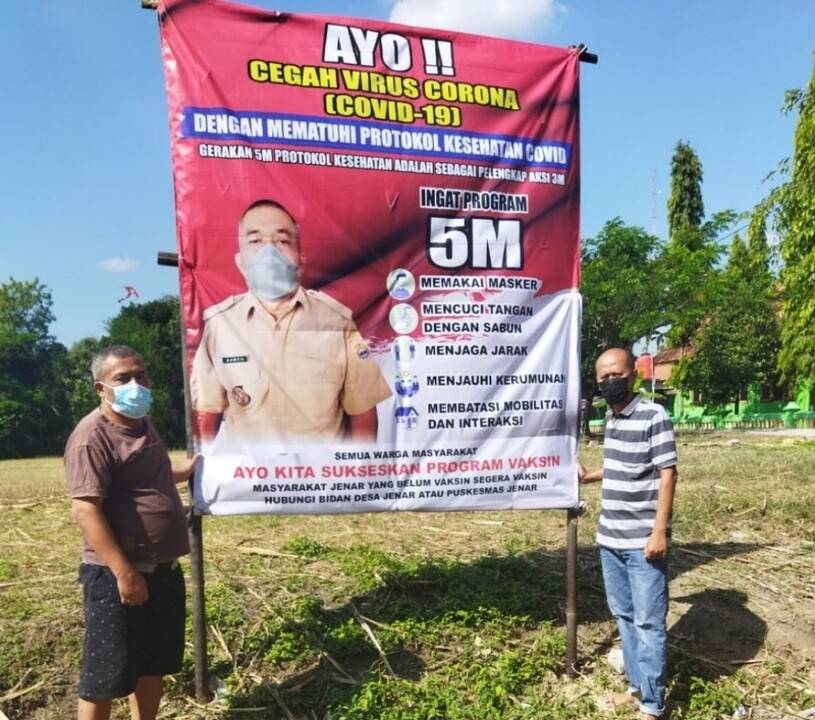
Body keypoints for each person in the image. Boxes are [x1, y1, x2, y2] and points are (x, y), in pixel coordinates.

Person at [191, 199, 391, 445]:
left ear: (301, 260)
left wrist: (361, 466)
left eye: (283, 241)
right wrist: (207, 464)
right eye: (255, 241)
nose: (269, 252)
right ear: (240, 261)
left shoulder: (337, 322)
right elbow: (206, 412)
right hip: (249, 470)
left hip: (320, 468)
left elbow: (363, 411)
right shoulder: (221, 325)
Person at [64, 345, 196, 720]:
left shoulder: (143, 423)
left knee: (152, 666)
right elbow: (85, 509)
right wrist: (125, 574)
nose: (135, 384)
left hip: (164, 570)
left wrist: (187, 471)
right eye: (123, 378)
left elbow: (151, 475)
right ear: (100, 388)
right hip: (119, 577)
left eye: (140, 375)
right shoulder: (91, 437)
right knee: (105, 676)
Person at [578, 347, 678, 720]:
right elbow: (622, 464)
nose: (610, 382)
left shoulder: (654, 415)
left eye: (616, 375)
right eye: (603, 377)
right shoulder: (612, 417)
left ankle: (652, 706)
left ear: (634, 374)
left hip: (642, 542)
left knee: (649, 622)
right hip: (610, 539)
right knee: (624, 615)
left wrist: (659, 532)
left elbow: (667, 473)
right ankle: (636, 687)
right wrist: (590, 476)